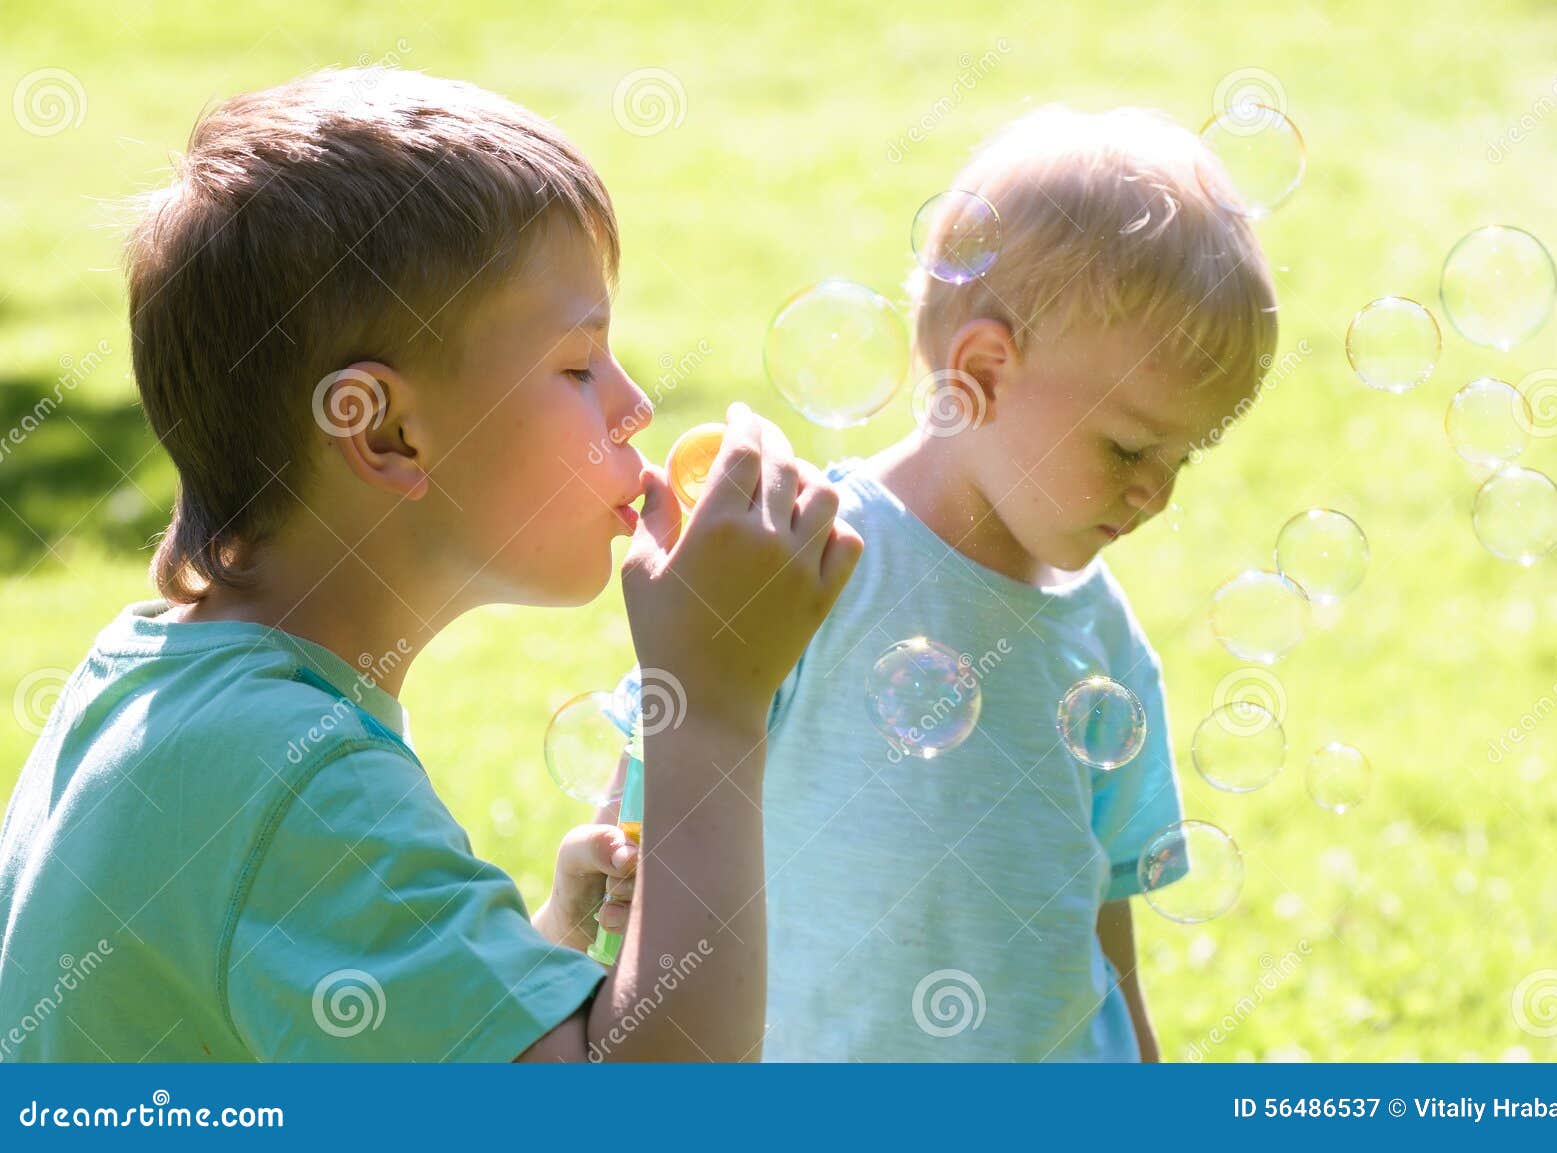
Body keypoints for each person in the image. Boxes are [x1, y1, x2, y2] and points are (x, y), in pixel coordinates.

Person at [0, 67, 861, 1063]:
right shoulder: (296, 786)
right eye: (579, 367)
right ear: (388, 432)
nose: (632, 406)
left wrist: (529, 962)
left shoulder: (175, 693)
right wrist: (708, 705)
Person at [761, 105, 1277, 1060]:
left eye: (1182, 459)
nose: (1156, 491)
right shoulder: (812, 558)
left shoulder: (1103, 637)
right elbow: (658, 791)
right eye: (1129, 445)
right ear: (986, 373)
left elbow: (1102, 900)